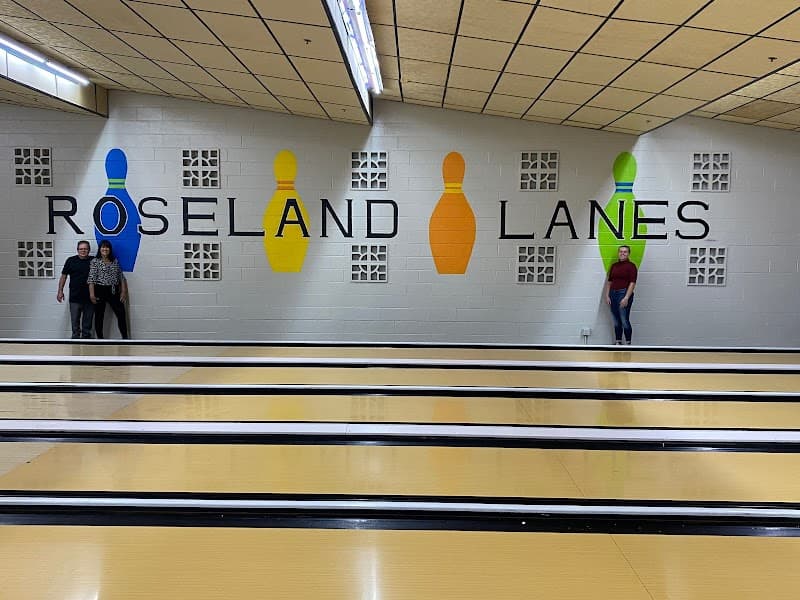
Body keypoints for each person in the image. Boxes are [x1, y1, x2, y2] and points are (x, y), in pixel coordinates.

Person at [88, 240, 129, 339]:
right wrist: (92, 294)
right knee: (99, 316)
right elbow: (91, 279)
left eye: (107, 247)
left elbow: (121, 277)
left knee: (121, 314)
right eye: (103, 247)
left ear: (110, 249)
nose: (105, 249)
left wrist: (123, 291)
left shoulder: (114, 261)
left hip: (113, 291)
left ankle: (125, 338)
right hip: (99, 290)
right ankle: (100, 339)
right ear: (100, 249)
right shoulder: (95, 261)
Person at [56, 240, 95, 339]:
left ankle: (87, 346)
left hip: (90, 298)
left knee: (87, 325)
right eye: (81, 249)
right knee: (75, 325)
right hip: (75, 297)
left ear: (89, 250)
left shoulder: (94, 261)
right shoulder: (70, 260)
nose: (83, 251)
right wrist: (60, 291)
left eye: (85, 249)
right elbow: (63, 276)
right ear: (77, 250)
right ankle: (75, 345)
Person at [604, 245, 637, 345]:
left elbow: (632, 283)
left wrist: (626, 297)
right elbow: (610, 281)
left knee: (624, 319)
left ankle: (628, 343)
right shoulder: (614, 266)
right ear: (618, 253)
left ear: (628, 254)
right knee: (616, 320)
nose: (622, 253)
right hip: (613, 293)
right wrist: (607, 295)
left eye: (625, 252)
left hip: (624, 293)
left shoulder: (631, 266)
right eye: (621, 251)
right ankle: (618, 341)